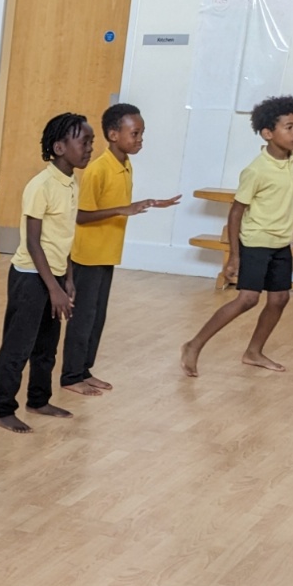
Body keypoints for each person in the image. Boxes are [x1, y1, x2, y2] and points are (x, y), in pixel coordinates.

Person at [181, 95, 293, 377]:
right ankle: (193, 345)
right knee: (248, 299)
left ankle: (253, 352)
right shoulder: (256, 170)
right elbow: (236, 213)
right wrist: (234, 257)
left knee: (279, 299)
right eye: (289, 127)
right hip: (256, 242)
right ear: (268, 133)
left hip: (280, 244)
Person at [63, 104, 179, 395]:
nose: (140, 139)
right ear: (114, 135)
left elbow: (120, 206)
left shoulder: (125, 164)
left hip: (107, 255)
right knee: (83, 318)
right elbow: (81, 215)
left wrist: (149, 203)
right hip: (88, 256)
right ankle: (70, 376)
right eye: (135, 133)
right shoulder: (98, 169)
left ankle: (84, 370)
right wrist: (123, 209)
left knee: (97, 317)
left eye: (141, 133)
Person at [0, 113, 93, 433]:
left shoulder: (72, 182)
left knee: (47, 346)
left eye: (91, 142)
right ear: (59, 147)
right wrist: (53, 289)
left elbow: (63, 236)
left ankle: (38, 400)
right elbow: (33, 242)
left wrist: (68, 279)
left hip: (55, 278)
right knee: (18, 347)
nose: (90, 148)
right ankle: (3, 409)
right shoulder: (41, 185)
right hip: (30, 277)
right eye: (84, 142)